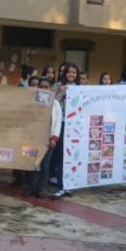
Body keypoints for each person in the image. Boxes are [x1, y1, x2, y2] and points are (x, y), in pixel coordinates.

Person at [28, 77, 62, 198]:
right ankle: (31, 187)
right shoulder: (33, 102)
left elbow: (57, 123)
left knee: (45, 165)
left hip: (49, 140)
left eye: (46, 87)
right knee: (33, 163)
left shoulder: (56, 104)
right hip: (34, 139)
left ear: (51, 88)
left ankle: (41, 189)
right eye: (41, 87)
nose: (43, 89)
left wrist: (54, 139)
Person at [50, 63, 79, 199]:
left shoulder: (81, 88)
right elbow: (52, 101)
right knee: (61, 155)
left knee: (71, 157)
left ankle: (68, 185)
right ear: (65, 73)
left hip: (75, 127)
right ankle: (61, 186)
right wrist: (61, 91)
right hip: (60, 125)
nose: (71, 74)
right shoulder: (57, 86)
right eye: (69, 72)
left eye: (74, 72)